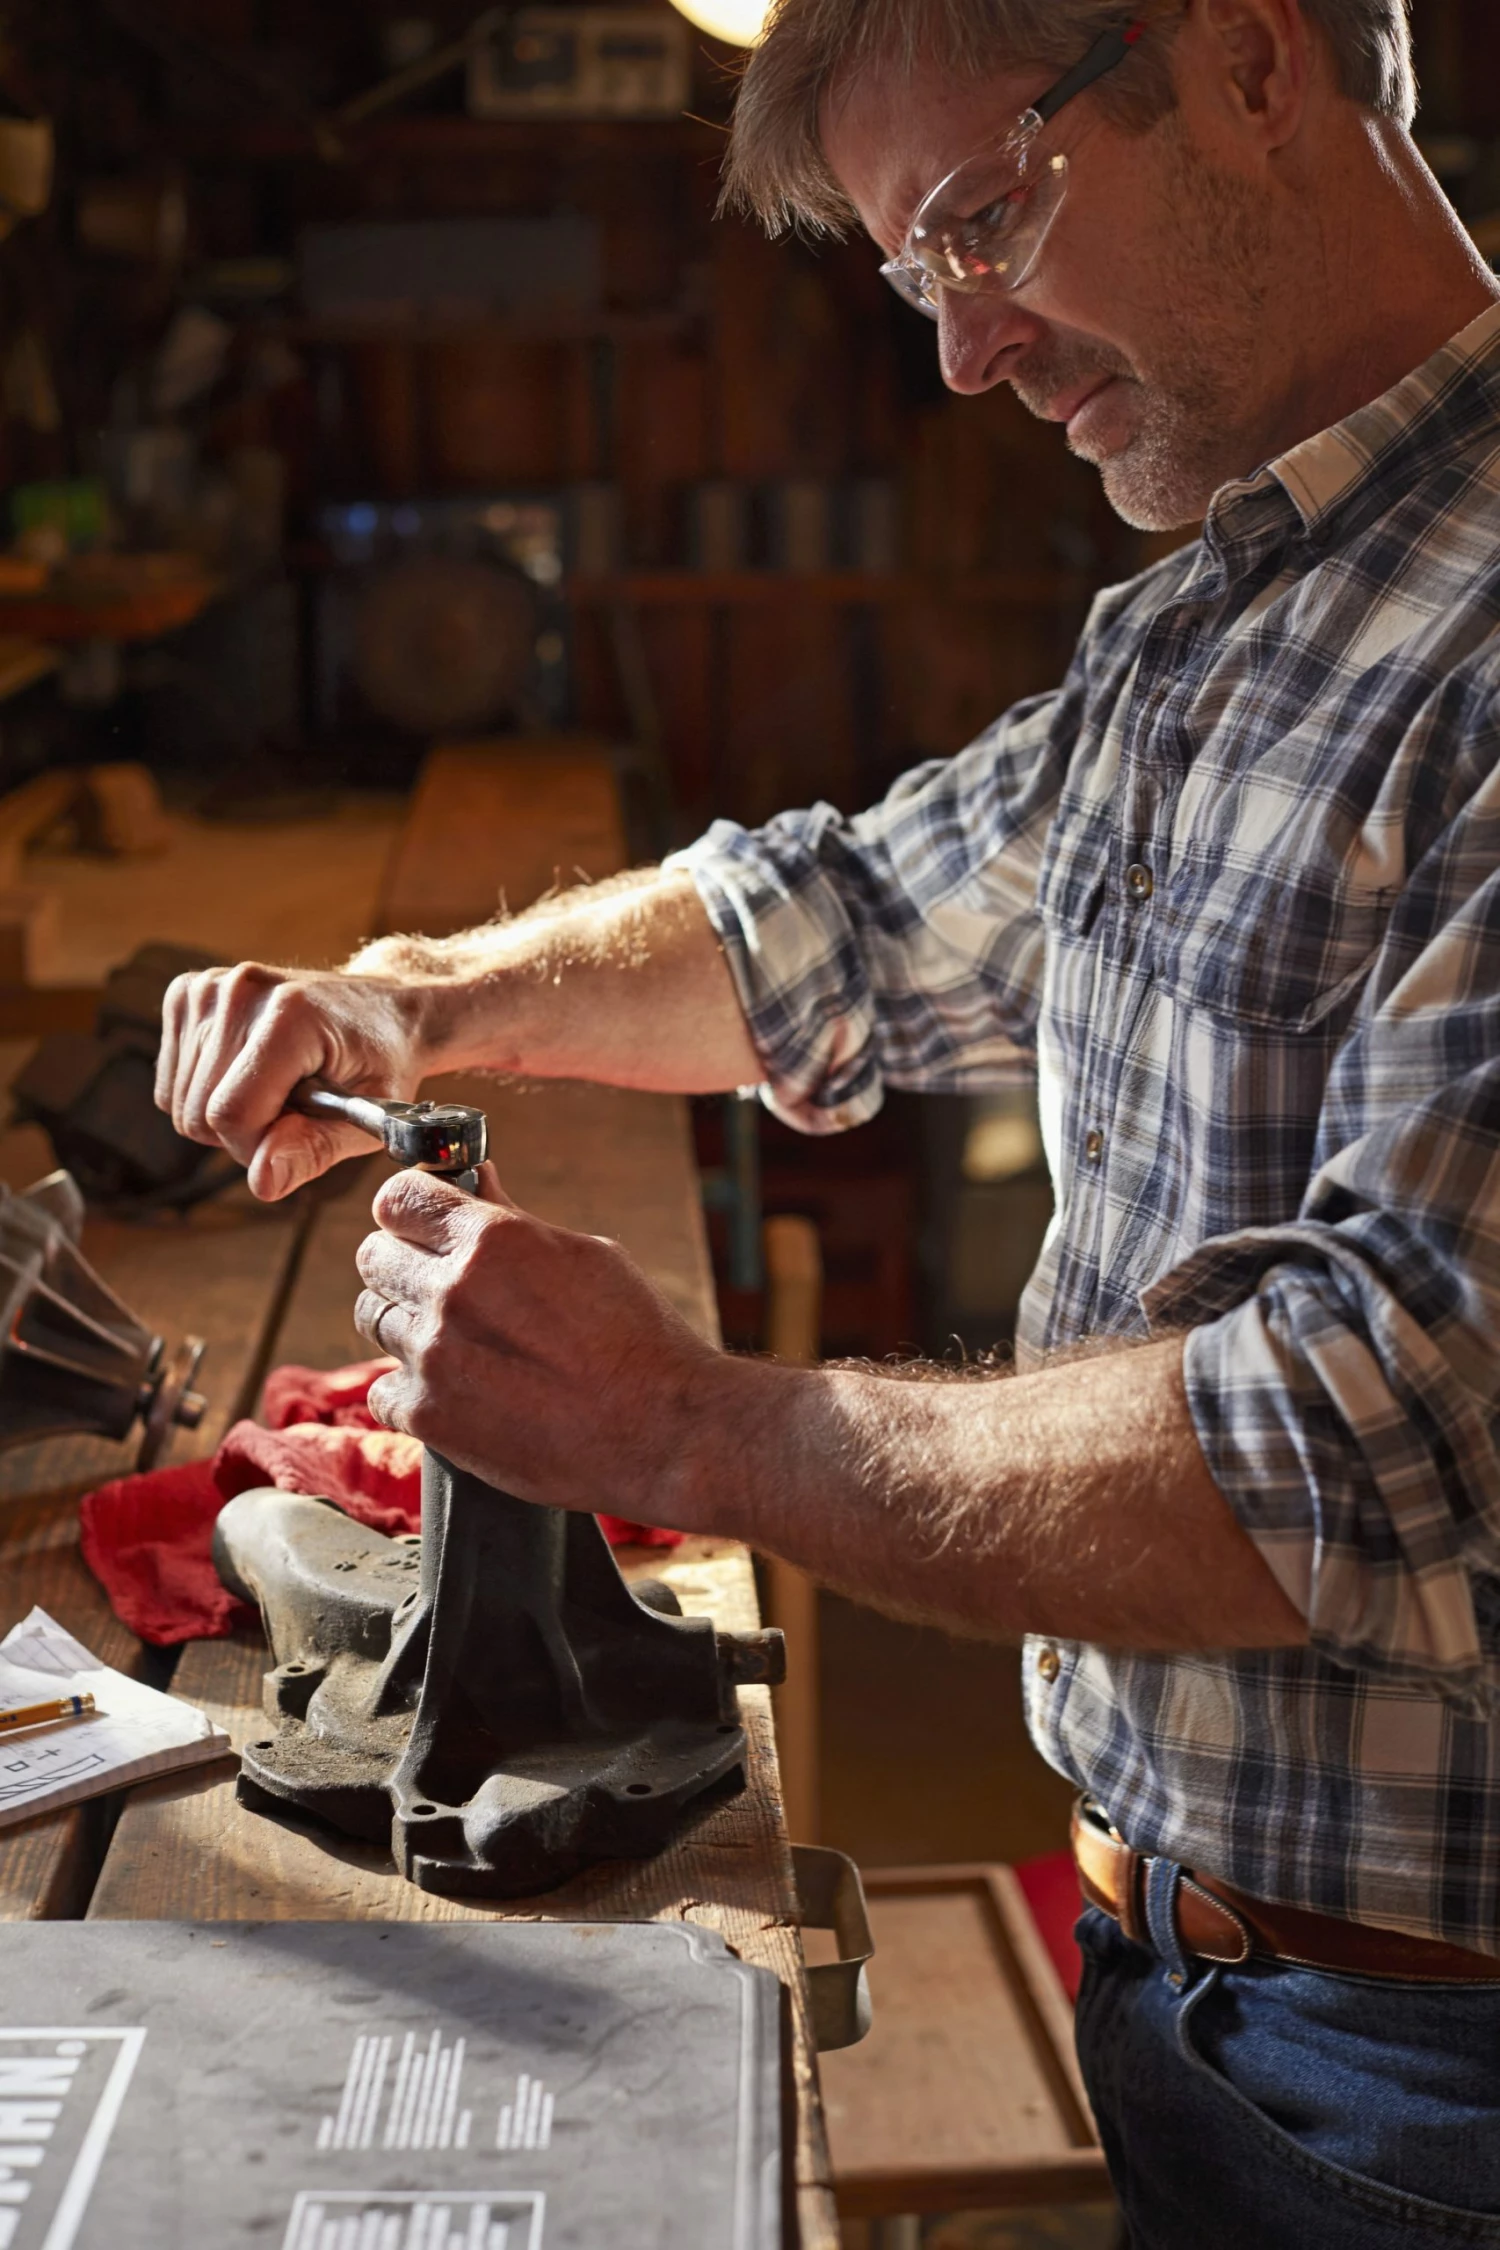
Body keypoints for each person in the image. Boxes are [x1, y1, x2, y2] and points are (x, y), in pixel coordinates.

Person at [158, 2, 1500, 2241]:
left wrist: (690, 1428)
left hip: (1432, 2078)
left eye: (986, 221)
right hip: (1208, 1981)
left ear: (1257, 64)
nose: (963, 354)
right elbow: (849, 917)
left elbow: (1365, 1438)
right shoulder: (1225, 617)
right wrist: (409, 1004)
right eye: (916, 272)